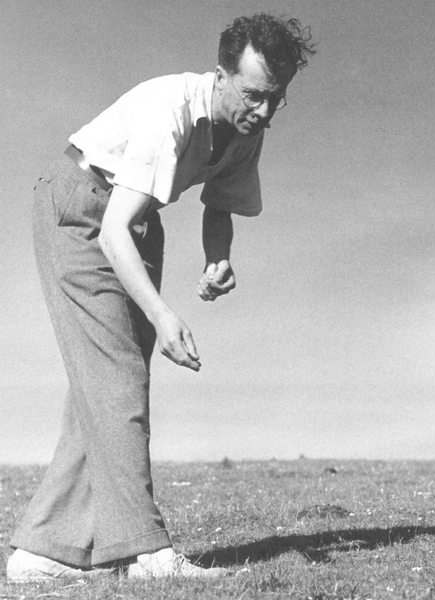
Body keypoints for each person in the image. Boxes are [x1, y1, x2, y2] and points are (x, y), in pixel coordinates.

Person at [7, 14, 314, 581]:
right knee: (117, 375)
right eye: (253, 95)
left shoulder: (247, 130)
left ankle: (44, 552)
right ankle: (147, 555)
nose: (264, 111)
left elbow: (220, 204)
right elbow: (111, 231)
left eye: (276, 99)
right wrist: (162, 313)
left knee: (106, 384)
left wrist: (217, 257)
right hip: (82, 208)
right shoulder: (169, 108)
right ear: (220, 75)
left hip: (140, 220)